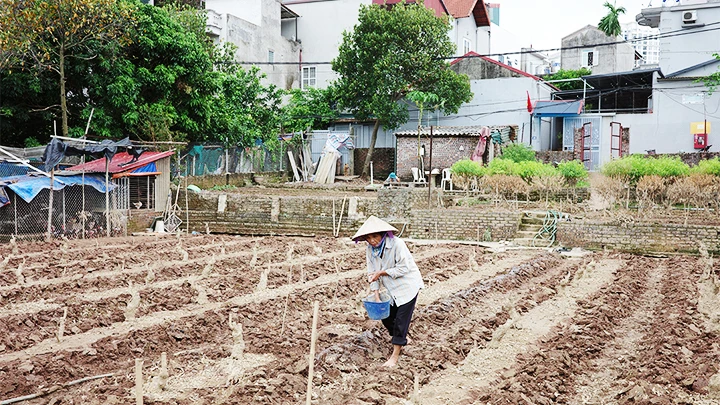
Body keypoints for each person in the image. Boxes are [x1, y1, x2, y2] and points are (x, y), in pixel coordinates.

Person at [352, 215, 424, 367]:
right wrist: (376, 295)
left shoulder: (397, 244)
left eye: (375, 236)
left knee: (400, 321)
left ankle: (395, 356)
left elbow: (404, 268)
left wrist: (382, 273)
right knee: (385, 317)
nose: (372, 240)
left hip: (407, 286)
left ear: (383, 234)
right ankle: (404, 339)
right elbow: (372, 272)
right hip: (391, 288)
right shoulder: (370, 250)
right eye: (368, 238)